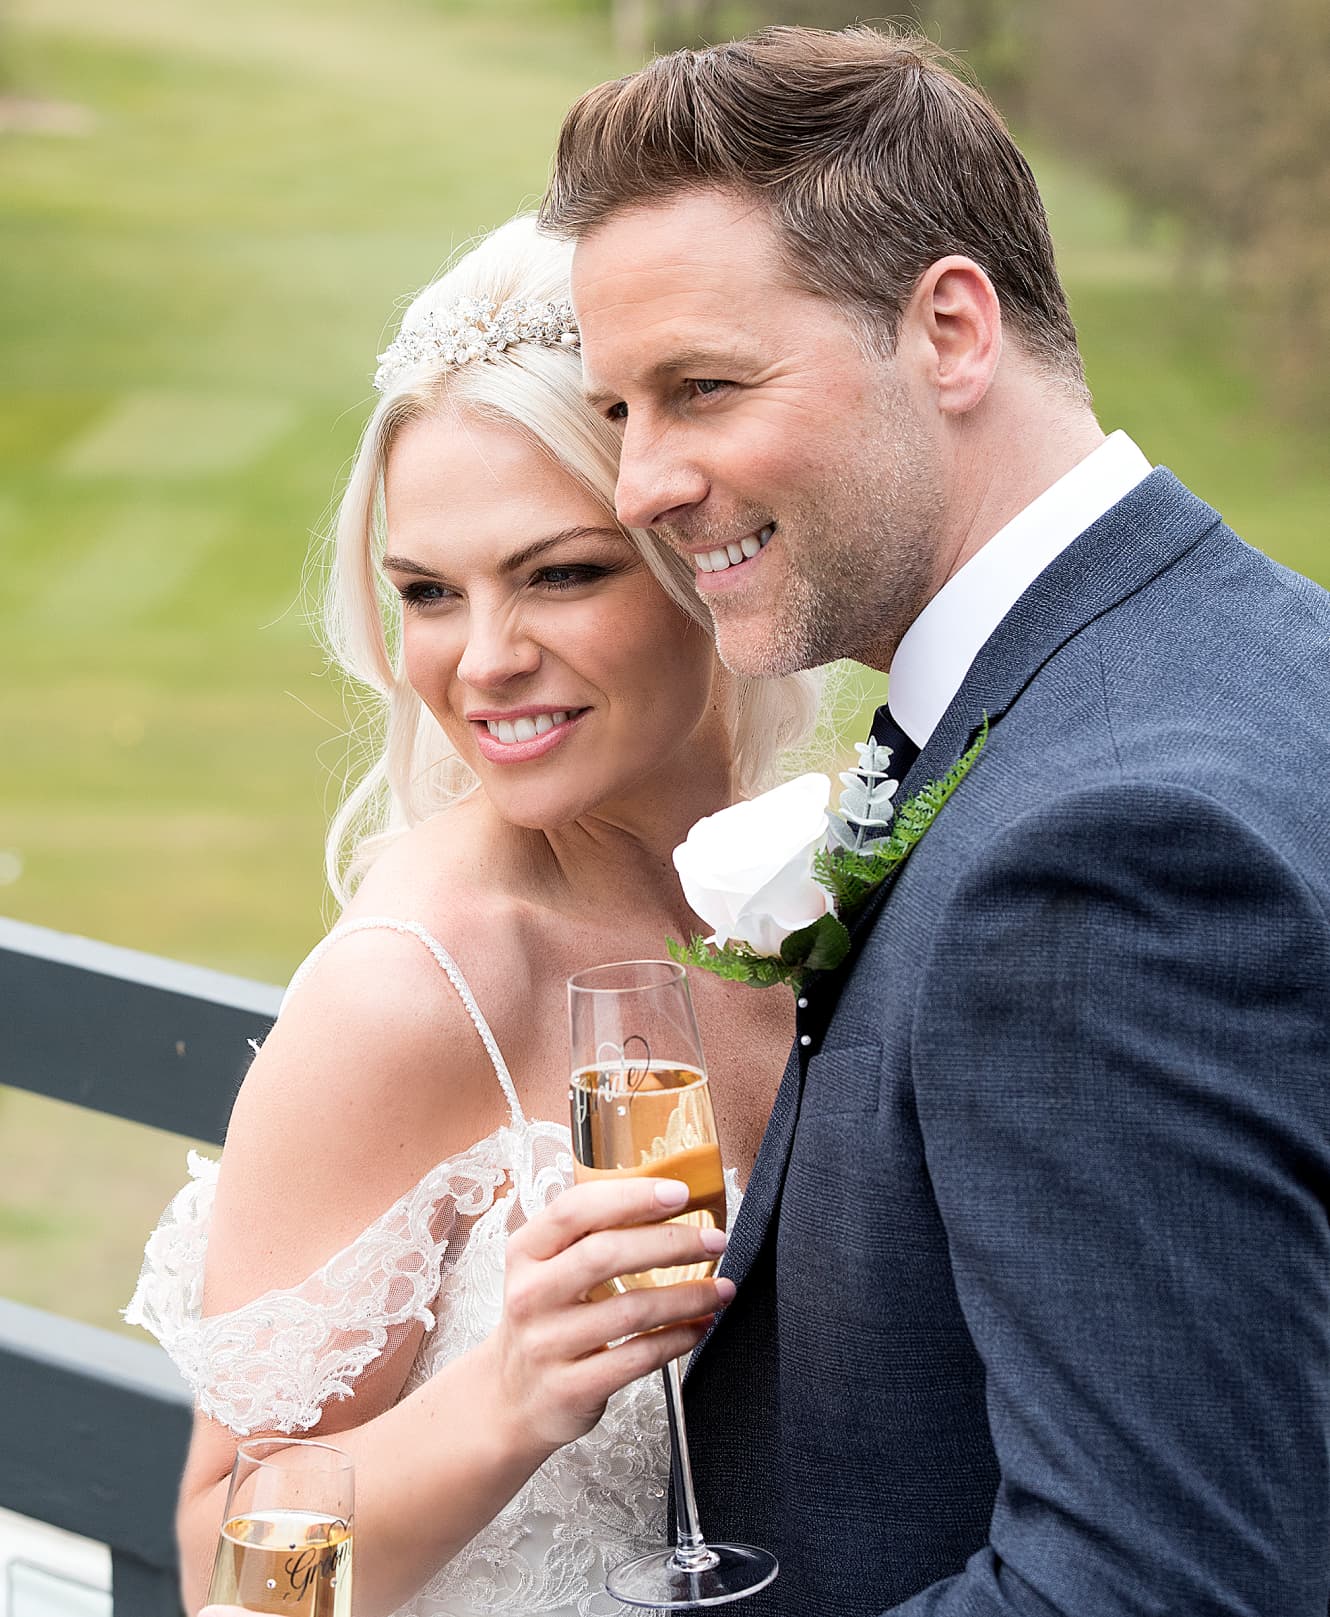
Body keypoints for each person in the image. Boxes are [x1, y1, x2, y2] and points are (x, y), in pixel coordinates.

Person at [541, 24, 1330, 1617]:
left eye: (700, 387)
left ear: (950, 329)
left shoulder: (1103, 850)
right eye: (618, 408)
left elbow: (1147, 1586)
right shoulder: (1241, 644)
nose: (637, 481)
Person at [126, 214, 821, 1617]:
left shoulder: (790, 880)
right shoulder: (413, 990)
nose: (484, 662)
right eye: (428, 593)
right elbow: (231, 1583)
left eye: (560, 572)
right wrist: (511, 1392)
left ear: (700, 550)